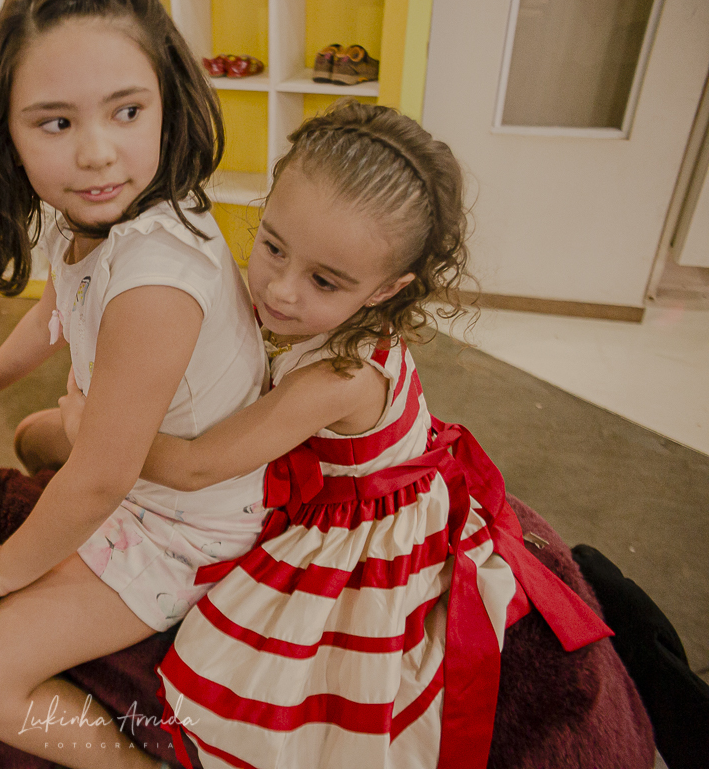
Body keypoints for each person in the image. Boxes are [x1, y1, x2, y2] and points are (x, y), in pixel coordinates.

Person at [60, 100, 615, 769]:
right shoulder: (310, 312)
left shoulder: (339, 376)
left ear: (387, 289)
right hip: (352, 476)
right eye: (272, 246)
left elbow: (197, 466)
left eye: (323, 280)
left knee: (266, 676)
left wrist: (96, 431)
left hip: (356, 526)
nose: (280, 290)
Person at [0, 0, 269, 767]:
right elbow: (55, 313)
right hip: (141, 473)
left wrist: (3, 566)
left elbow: (104, 476)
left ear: (166, 103)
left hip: (191, 526)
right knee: (32, 435)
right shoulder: (96, 214)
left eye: (127, 111)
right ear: (6, 133)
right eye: (56, 122)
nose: (96, 152)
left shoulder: (156, 281)